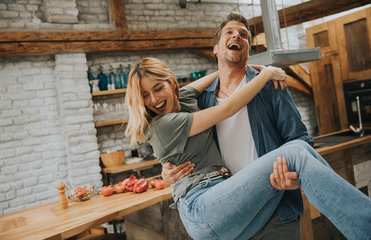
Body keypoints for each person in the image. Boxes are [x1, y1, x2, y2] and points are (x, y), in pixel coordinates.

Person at [125, 57, 371, 240]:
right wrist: (268, 74)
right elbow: (227, 109)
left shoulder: (186, 99)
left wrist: (253, 67)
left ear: (171, 82)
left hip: (223, 199)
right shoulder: (162, 125)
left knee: (296, 151)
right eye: (144, 95)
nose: (153, 100)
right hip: (202, 207)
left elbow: (218, 74)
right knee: (295, 152)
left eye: (158, 88)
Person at [162, 12, 312, 239]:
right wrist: (167, 171)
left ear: (248, 50)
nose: (237, 36)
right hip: (231, 216)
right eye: (230, 33)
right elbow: (183, 144)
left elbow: (300, 139)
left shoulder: (271, 86)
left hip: (276, 212)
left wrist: (292, 175)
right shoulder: (202, 100)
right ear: (216, 48)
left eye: (244, 35)